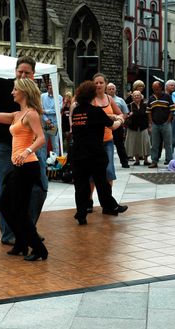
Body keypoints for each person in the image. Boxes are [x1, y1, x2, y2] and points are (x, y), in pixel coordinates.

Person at [0, 56, 48, 246]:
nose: (22, 75)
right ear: (15, 72)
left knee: (40, 189)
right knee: (7, 192)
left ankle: (27, 229)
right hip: (7, 149)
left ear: (33, 74)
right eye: (19, 72)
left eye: (27, 73)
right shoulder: (5, 86)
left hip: (31, 149)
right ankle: (10, 235)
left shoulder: (34, 93)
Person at [70, 81, 128, 225]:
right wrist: (120, 119)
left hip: (78, 153)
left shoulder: (77, 111)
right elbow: (112, 126)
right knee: (102, 182)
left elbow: (89, 122)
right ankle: (111, 206)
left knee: (81, 185)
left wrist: (110, 118)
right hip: (94, 154)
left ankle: (81, 213)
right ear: (92, 95)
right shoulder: (95, 111)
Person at [85, 73, 125, 213]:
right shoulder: (89, 100)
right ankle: (88, 201)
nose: (98, 85)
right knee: (91, 173)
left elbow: (121, 114)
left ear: (105, 84)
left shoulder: (109, 99)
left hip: (107, 140)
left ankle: (107, 202)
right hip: (93, 142)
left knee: (108, 171)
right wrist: (110, 117)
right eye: (96, 83)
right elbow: (89, 115)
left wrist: (119, 121)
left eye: (101, 82)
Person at [147, 81, 174, 168]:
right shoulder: (151, 98)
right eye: (154, 89)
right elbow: (148, 111)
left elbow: (172, 109)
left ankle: (169, 161)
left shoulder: (167, 97)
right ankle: (154, 161)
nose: (155, 91)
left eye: (157, 89)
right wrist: (151, 122)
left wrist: (168, 120)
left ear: (161, 88)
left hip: (166, 124)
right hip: (155, 124)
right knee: (154, 144)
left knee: (168, 143)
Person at [107, 82, 130, 168]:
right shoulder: (103, 100)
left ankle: (124, 162)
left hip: (117, 125)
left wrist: (121, 121)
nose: (111, 90)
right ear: (106, 90)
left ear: (115, 90)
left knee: (120, 144)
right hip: (106, 126)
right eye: (109, 89)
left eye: (113, 88)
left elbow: (125, 113)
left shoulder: (120, 100)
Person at [125, 90, 151, 166]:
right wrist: (129, 115)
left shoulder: (145, 105)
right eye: (135, 95)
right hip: (133, 127)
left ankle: (146, 160)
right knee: (135, 143)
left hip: (143, 126)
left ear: (141, 96)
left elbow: (148, 116)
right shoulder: (129, 105)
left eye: (138, 95)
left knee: (145, 143)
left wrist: (149, 125)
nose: (136, 96)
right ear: (132, 97)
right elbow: (125, 115)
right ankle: (137, 161)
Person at [41, 83, 62, 155]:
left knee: (55, 145)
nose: (50, 88)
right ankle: (43, 164)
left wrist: (46, 111)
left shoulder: (59, 97)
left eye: (52, 87)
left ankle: (56, 164)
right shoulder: (42, 96)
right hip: (45, 123)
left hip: (53, 124)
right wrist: (46, 119)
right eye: (49, 87)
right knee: (43, 145)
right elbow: (40, 110)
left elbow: (57, 110)